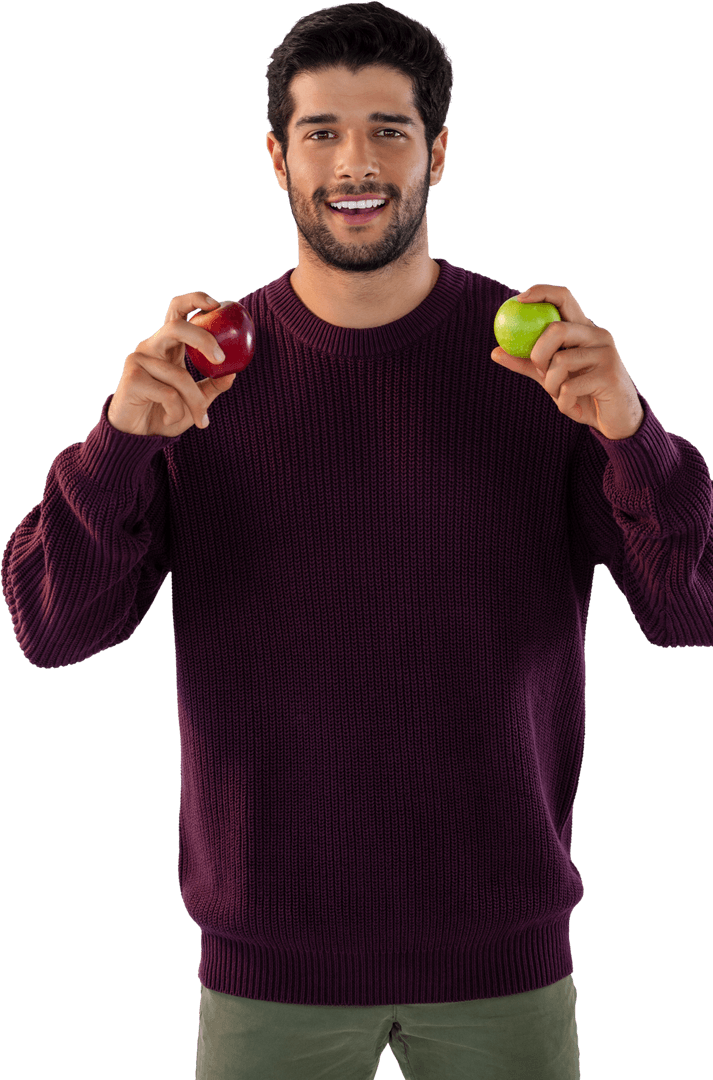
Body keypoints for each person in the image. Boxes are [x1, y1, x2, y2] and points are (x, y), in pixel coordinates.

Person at [3, 3, 712, 1078]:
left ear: (434, 151)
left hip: (505, 960)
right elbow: (50, 628)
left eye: (386, 129)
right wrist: (116, 442)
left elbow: (689, 608)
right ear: (278, 158)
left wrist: (630, 430)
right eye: (323, 131)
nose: (354, 161)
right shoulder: (200, 378)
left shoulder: (538, 373)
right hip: (264, 967)